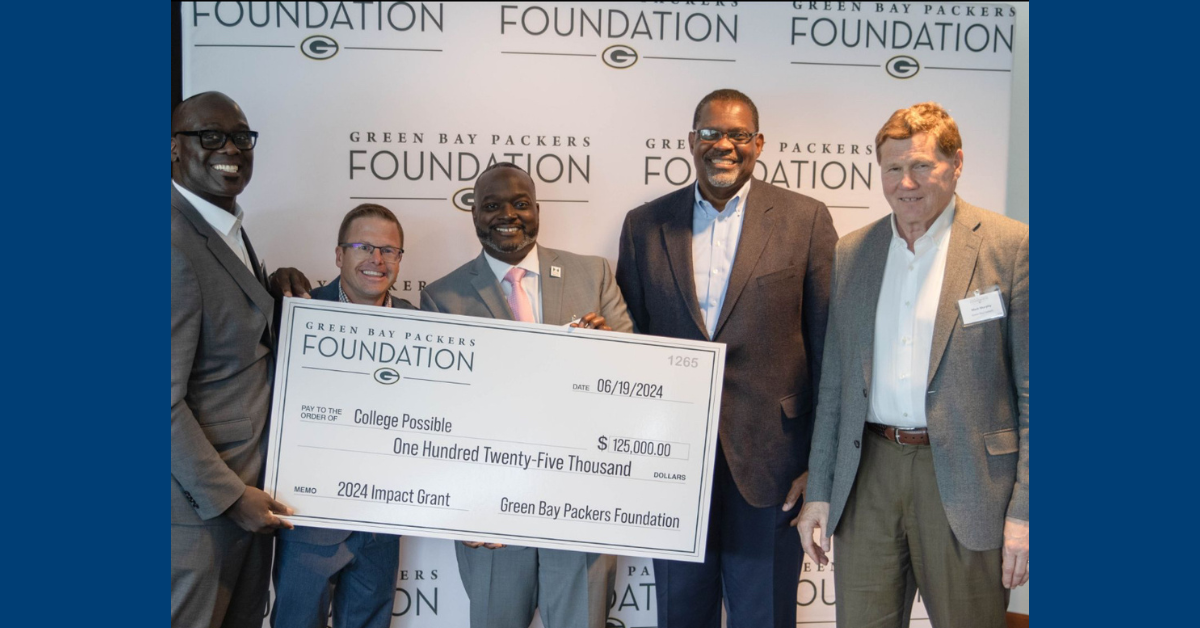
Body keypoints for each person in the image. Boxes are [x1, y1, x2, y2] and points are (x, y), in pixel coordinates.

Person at [796, 102, 1029, 628]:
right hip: (869, 475)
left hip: (970, 482)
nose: (906, 182)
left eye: (922, 165)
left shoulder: (1008, 246)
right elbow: (834, 386)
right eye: (893, 168)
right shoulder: (854, 251)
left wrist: (1024, 512)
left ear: (957, 164)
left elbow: (1034, 393)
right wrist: (819, 494)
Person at [615, 88, 838, 628]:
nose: (724, 145)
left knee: (764, 615)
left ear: (759, 143)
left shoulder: (805, 220)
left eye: (738, 134)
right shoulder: (644, 225)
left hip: (775, 464)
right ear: (691, 141)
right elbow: (630, 347)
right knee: (681, 614)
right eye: (711, 133)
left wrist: (819, 466)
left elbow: (832, 347)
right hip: (671, 465)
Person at [420, 162, 632, 628]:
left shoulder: (592, 273)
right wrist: (463, 504)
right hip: (491, 512)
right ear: (473, 213)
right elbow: (438, 414)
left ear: (537, 209)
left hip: (582, 502)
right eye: (492, 205)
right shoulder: (442, 297)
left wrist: (610, 351)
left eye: (520, 203)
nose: (507, 214)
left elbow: (633, 382)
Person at [171, 91, 295, 628]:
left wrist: (275, 289)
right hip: (201, 515)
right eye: (210, 136)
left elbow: (231, 336)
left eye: (241, 137)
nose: (231, 148)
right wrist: (227, 497)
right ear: (175, 149)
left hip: (249, 505)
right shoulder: (171, 239)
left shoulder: (227, 227)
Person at [271, 204, 414, 628]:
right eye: (363, 247)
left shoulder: (421, 324)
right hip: (308, 522)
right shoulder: (297, 311)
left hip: (381, 525)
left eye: (390, 250)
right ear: (338, 255)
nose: (377, 260)